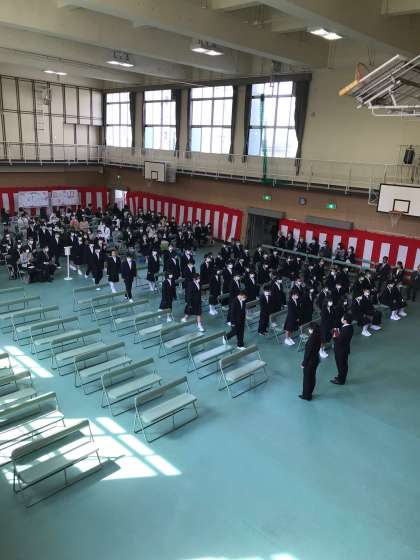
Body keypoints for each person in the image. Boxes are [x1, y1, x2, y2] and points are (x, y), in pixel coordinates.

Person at [300, 322, 321, 401]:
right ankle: (310, 393)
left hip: (310, 362)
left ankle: (306, 395)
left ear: (312, 329)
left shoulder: (312, 339)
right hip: (316, 359)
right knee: (312, 377)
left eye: (309, 328)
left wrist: (303, 363)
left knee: (307, 379)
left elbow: (308, 353)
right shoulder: (318, 336)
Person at [330, 312, 354, 385]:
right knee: (342, 365)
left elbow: (338, 341)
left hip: (341, 350)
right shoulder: (349, 327)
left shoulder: (346, 329)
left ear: (345, 321)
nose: (341, 318)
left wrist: (334, 334)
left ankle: (341, 380)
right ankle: (340, 376)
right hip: (344, 349)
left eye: (342, 318)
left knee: (341, 365)